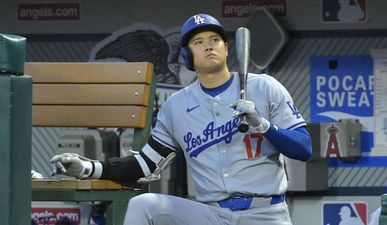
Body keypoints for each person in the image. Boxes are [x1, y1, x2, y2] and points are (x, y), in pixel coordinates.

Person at [50, 13, 312, 225]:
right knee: (143, 205)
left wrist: (263, 125)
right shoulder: (176, 106)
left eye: (215, 39)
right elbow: (145, 164)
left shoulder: (264, 87)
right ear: (186, 56)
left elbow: (303, 148)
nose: (208, 44)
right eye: (198, 42)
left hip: (265, 213)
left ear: (226, 48)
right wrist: (89, 169)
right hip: (212, 215)